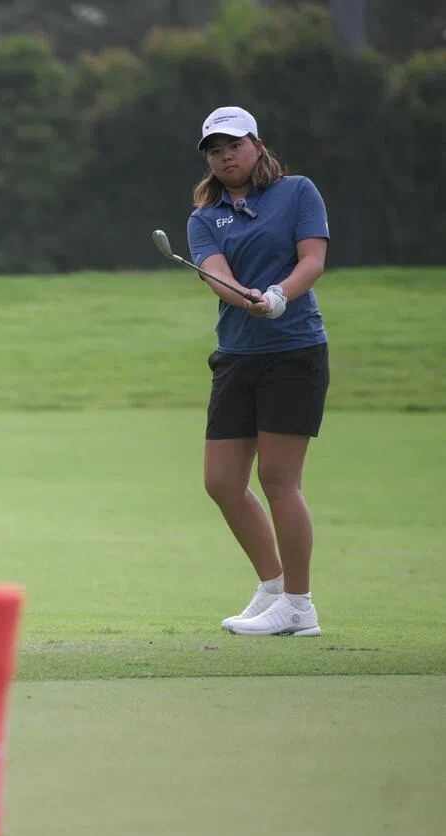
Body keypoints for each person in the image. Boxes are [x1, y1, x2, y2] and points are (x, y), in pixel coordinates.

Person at [187, 105, 330, 637]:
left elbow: (311, 260)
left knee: (277, 479)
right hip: (236, 355)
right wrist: (246, 298)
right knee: (222, 482)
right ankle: (273, 588)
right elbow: (216, 274)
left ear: (257, 145)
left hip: (294, 351)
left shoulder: (297, 192)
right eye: (215, 150)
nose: (225, 157)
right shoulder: (205, 218)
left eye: (234, 145)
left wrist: (278, 296)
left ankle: (299, 604)